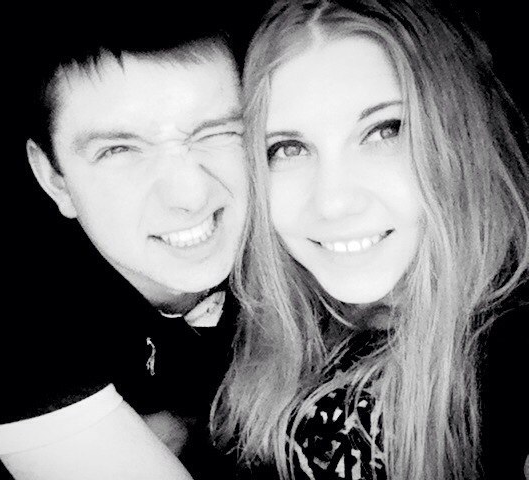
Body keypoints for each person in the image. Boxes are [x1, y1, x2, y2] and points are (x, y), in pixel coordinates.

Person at [212, 0, 529, 479]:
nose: (333, 202)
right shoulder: (254, 323)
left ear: (459, 141)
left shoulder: (511, 347)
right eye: (288, 149)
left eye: (385, 131)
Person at [0, 6, 255, 479]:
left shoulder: (311, 233)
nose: (189, 196)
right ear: (54, 179)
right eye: (119, 150)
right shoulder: (10, 317)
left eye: (219, 133)